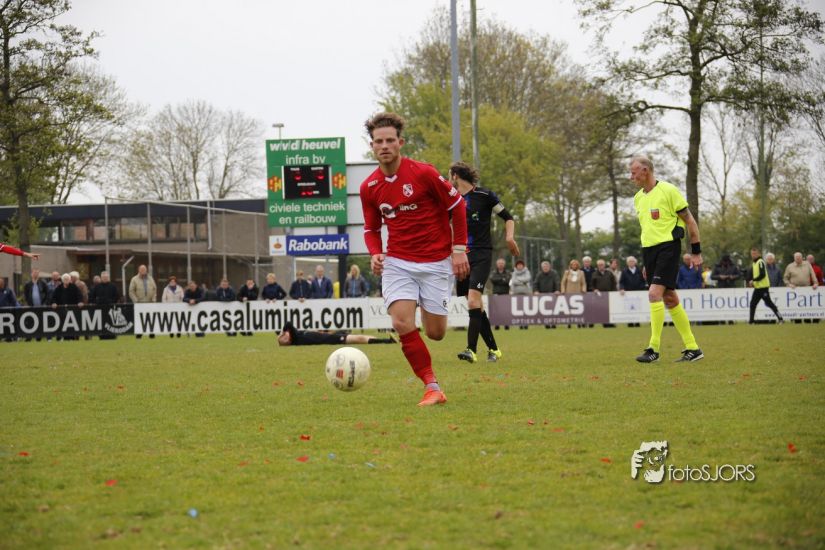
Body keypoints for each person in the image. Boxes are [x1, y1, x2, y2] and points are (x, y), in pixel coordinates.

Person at [359, 112, 468, 406]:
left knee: (436, 333)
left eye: (389, 140)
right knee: (401, 321)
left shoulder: (424, 173)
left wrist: (459, 250)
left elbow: (457, 206)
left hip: (436, 262)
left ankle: (423, 306)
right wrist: (375, 252)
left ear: (400, 143)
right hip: (398, 263)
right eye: (378, 141)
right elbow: (371, 229)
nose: (384, 146)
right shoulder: (368, 187)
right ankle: (432, 387)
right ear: (372, 146)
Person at [630, 154, 703, 363]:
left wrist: (696, 251)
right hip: (650, 251)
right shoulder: (638, 198)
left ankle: (653, 348)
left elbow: (690, 221)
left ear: (645, 171)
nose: (631, 177)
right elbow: (648, 230)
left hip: (669, 248)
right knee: (669, 298)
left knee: (654, 294)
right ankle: (693, 348)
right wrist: (647, 263)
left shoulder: (668, 191)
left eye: (633, 172)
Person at [450, 161, 519, 364]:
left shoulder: (484, 195)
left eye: (449, 175)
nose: (448, 179)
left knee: (473, 301)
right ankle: (494, 349)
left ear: (455, 176)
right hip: (461, 257)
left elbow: (508, 217)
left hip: (481, 254)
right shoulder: (452, 200)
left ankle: (471, 350)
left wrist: (509, 238)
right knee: (476, 306)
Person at [277, 321, 396, 346]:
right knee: (359, 339)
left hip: (330, 336)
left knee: (360, 337)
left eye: (284, 335)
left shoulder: (297, 334)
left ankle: (384, 340)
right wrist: (282, 332)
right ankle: (387, 341)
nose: (285, 336)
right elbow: (288, 324)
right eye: (284, 339)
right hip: (331, 340)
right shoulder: (296, 339)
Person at [748, 247, 783, 324]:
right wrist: (752, 281)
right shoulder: (754, 263)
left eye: (755, 253)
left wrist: (753, 280)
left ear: (758, 254)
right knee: (752, 304)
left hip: (763, 288)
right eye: (752, 254)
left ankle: (780, 319)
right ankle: (751, 321)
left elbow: (762, 274)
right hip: (758, 288)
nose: (753, 255)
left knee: (770, 304)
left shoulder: (760, 262)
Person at [129, 265, 157, 339]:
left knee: (150, 318)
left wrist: (153, 299)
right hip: (139, 303)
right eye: (141, 270)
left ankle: (151, 333)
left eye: (144, 270)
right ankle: (139, 334)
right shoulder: (134, 279)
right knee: (139, 319)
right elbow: (131, 291)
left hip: (150, 303)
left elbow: (154, 289)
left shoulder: (150, 278)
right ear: (139, 270)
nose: (143, 271)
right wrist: (136, 301)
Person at [90, 271, 120, 340]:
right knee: (101, 323)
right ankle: (102, 335)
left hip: (110, 309)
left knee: (111, 322)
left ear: (108, 278)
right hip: (100, 309)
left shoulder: (113, 286)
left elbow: (117, 296)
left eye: (106, 277)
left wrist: (111, 302)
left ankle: (112, 335)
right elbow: (92, 297)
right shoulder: (97, 287)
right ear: (101, 278)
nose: (105, 278)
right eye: (103, 277)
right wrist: (97, 302)